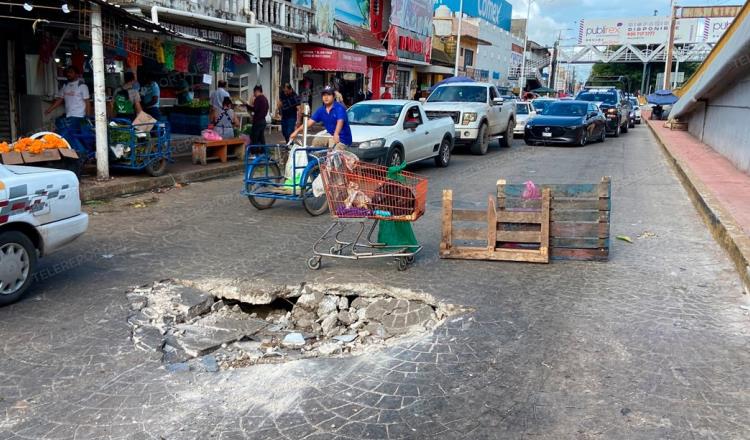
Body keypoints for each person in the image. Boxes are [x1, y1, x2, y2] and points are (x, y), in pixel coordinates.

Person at [289, 85, 352, 150]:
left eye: (329, 95)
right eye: (324, 95)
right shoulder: (321, 110)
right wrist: (296, 131)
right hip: (331, 136)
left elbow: (340, 121)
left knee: (335, 154)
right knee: (316, 142)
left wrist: (336, 134)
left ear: (333, 97)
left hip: (343, 139)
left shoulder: (339, 108)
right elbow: (309, 122)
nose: (326, 97)